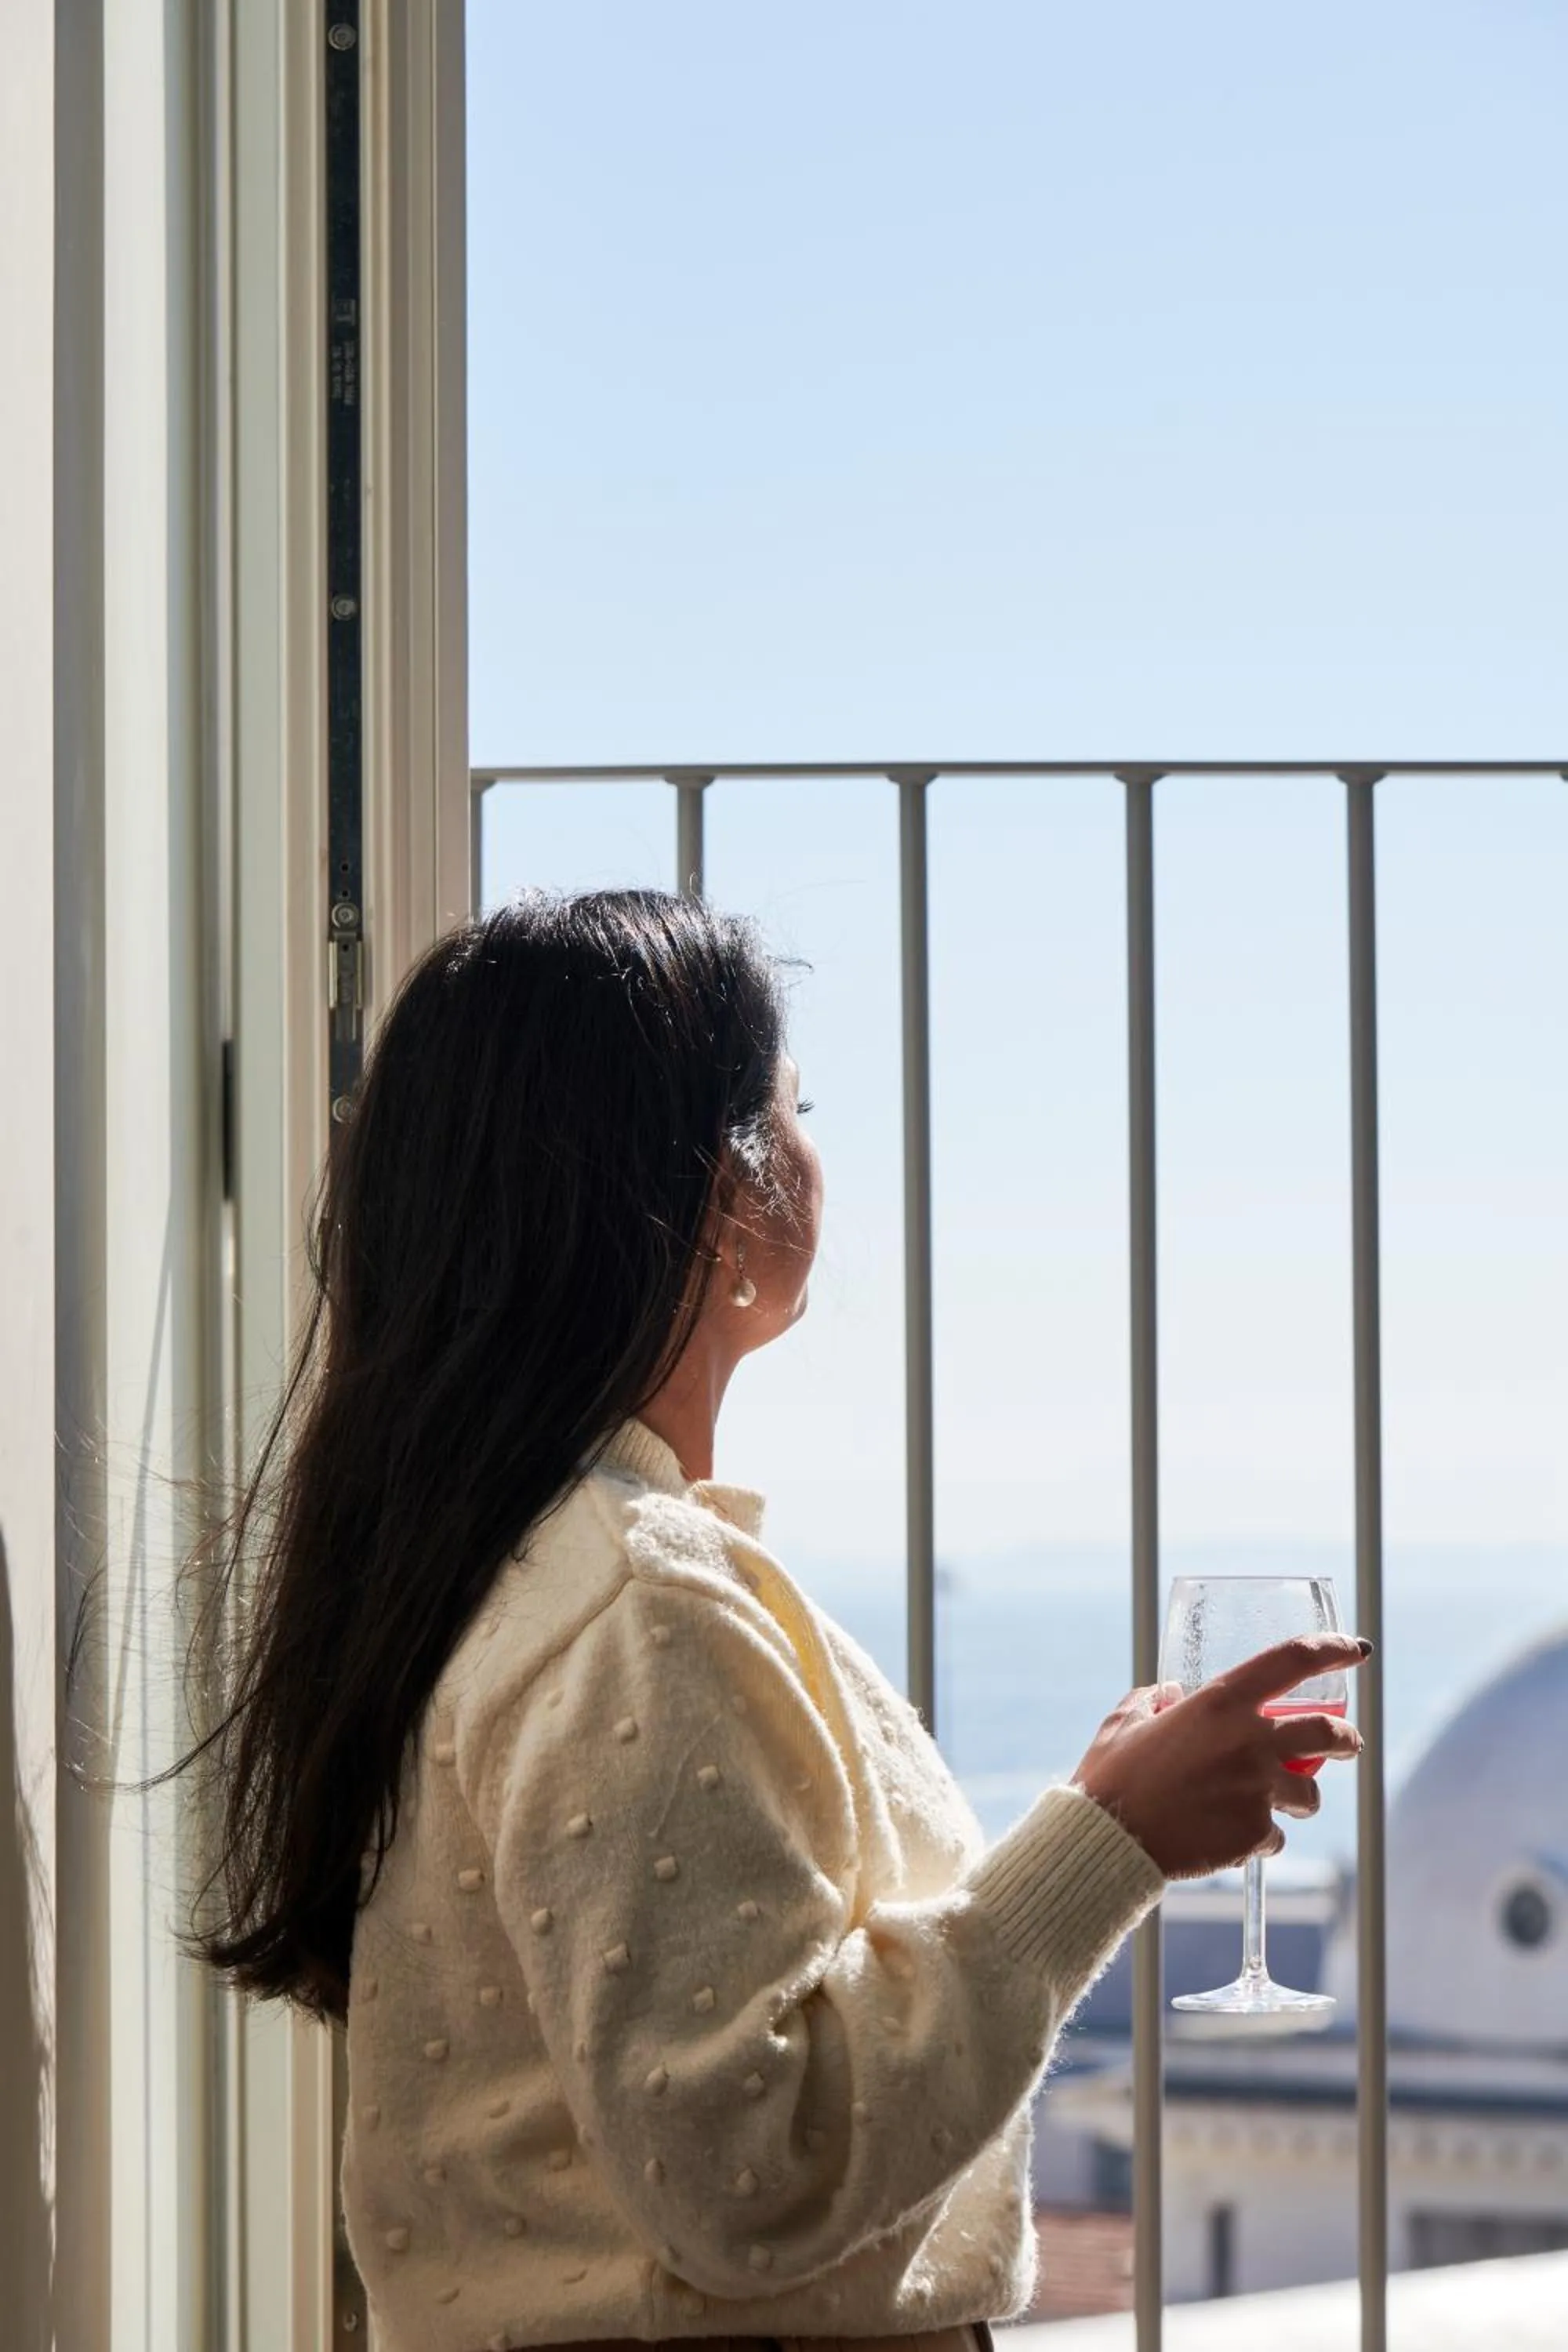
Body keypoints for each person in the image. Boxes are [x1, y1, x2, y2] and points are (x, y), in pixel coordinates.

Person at [196, 889, 1364, 2352]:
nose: (814, 1152)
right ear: (723, 1197)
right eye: (794, 1110)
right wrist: (1108, 1845)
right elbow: (750, 2163)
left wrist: (1103, 1801)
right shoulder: (641, 1605)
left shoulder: (507, 1566)